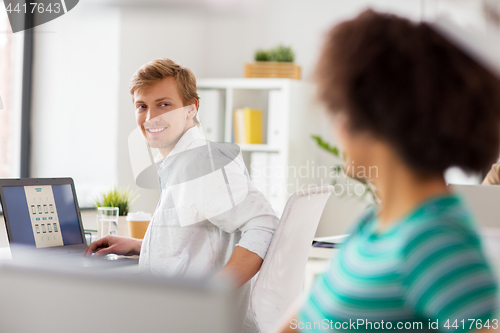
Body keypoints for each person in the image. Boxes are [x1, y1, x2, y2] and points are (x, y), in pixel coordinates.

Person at [279, 10, 499, 333]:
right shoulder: (372, 226)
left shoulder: (436, 242)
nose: (338, 127)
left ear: (382, 119)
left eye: (345, 111)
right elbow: (303, 321)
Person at [84, 58, 278, 332]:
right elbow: (206, 241)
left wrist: (212, 292)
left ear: (191, 108)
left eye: (164, 104)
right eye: (142, 106)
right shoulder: (186, 159)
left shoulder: (199, 164)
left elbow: (264, 225)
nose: (150, 118)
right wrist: (142, 246)